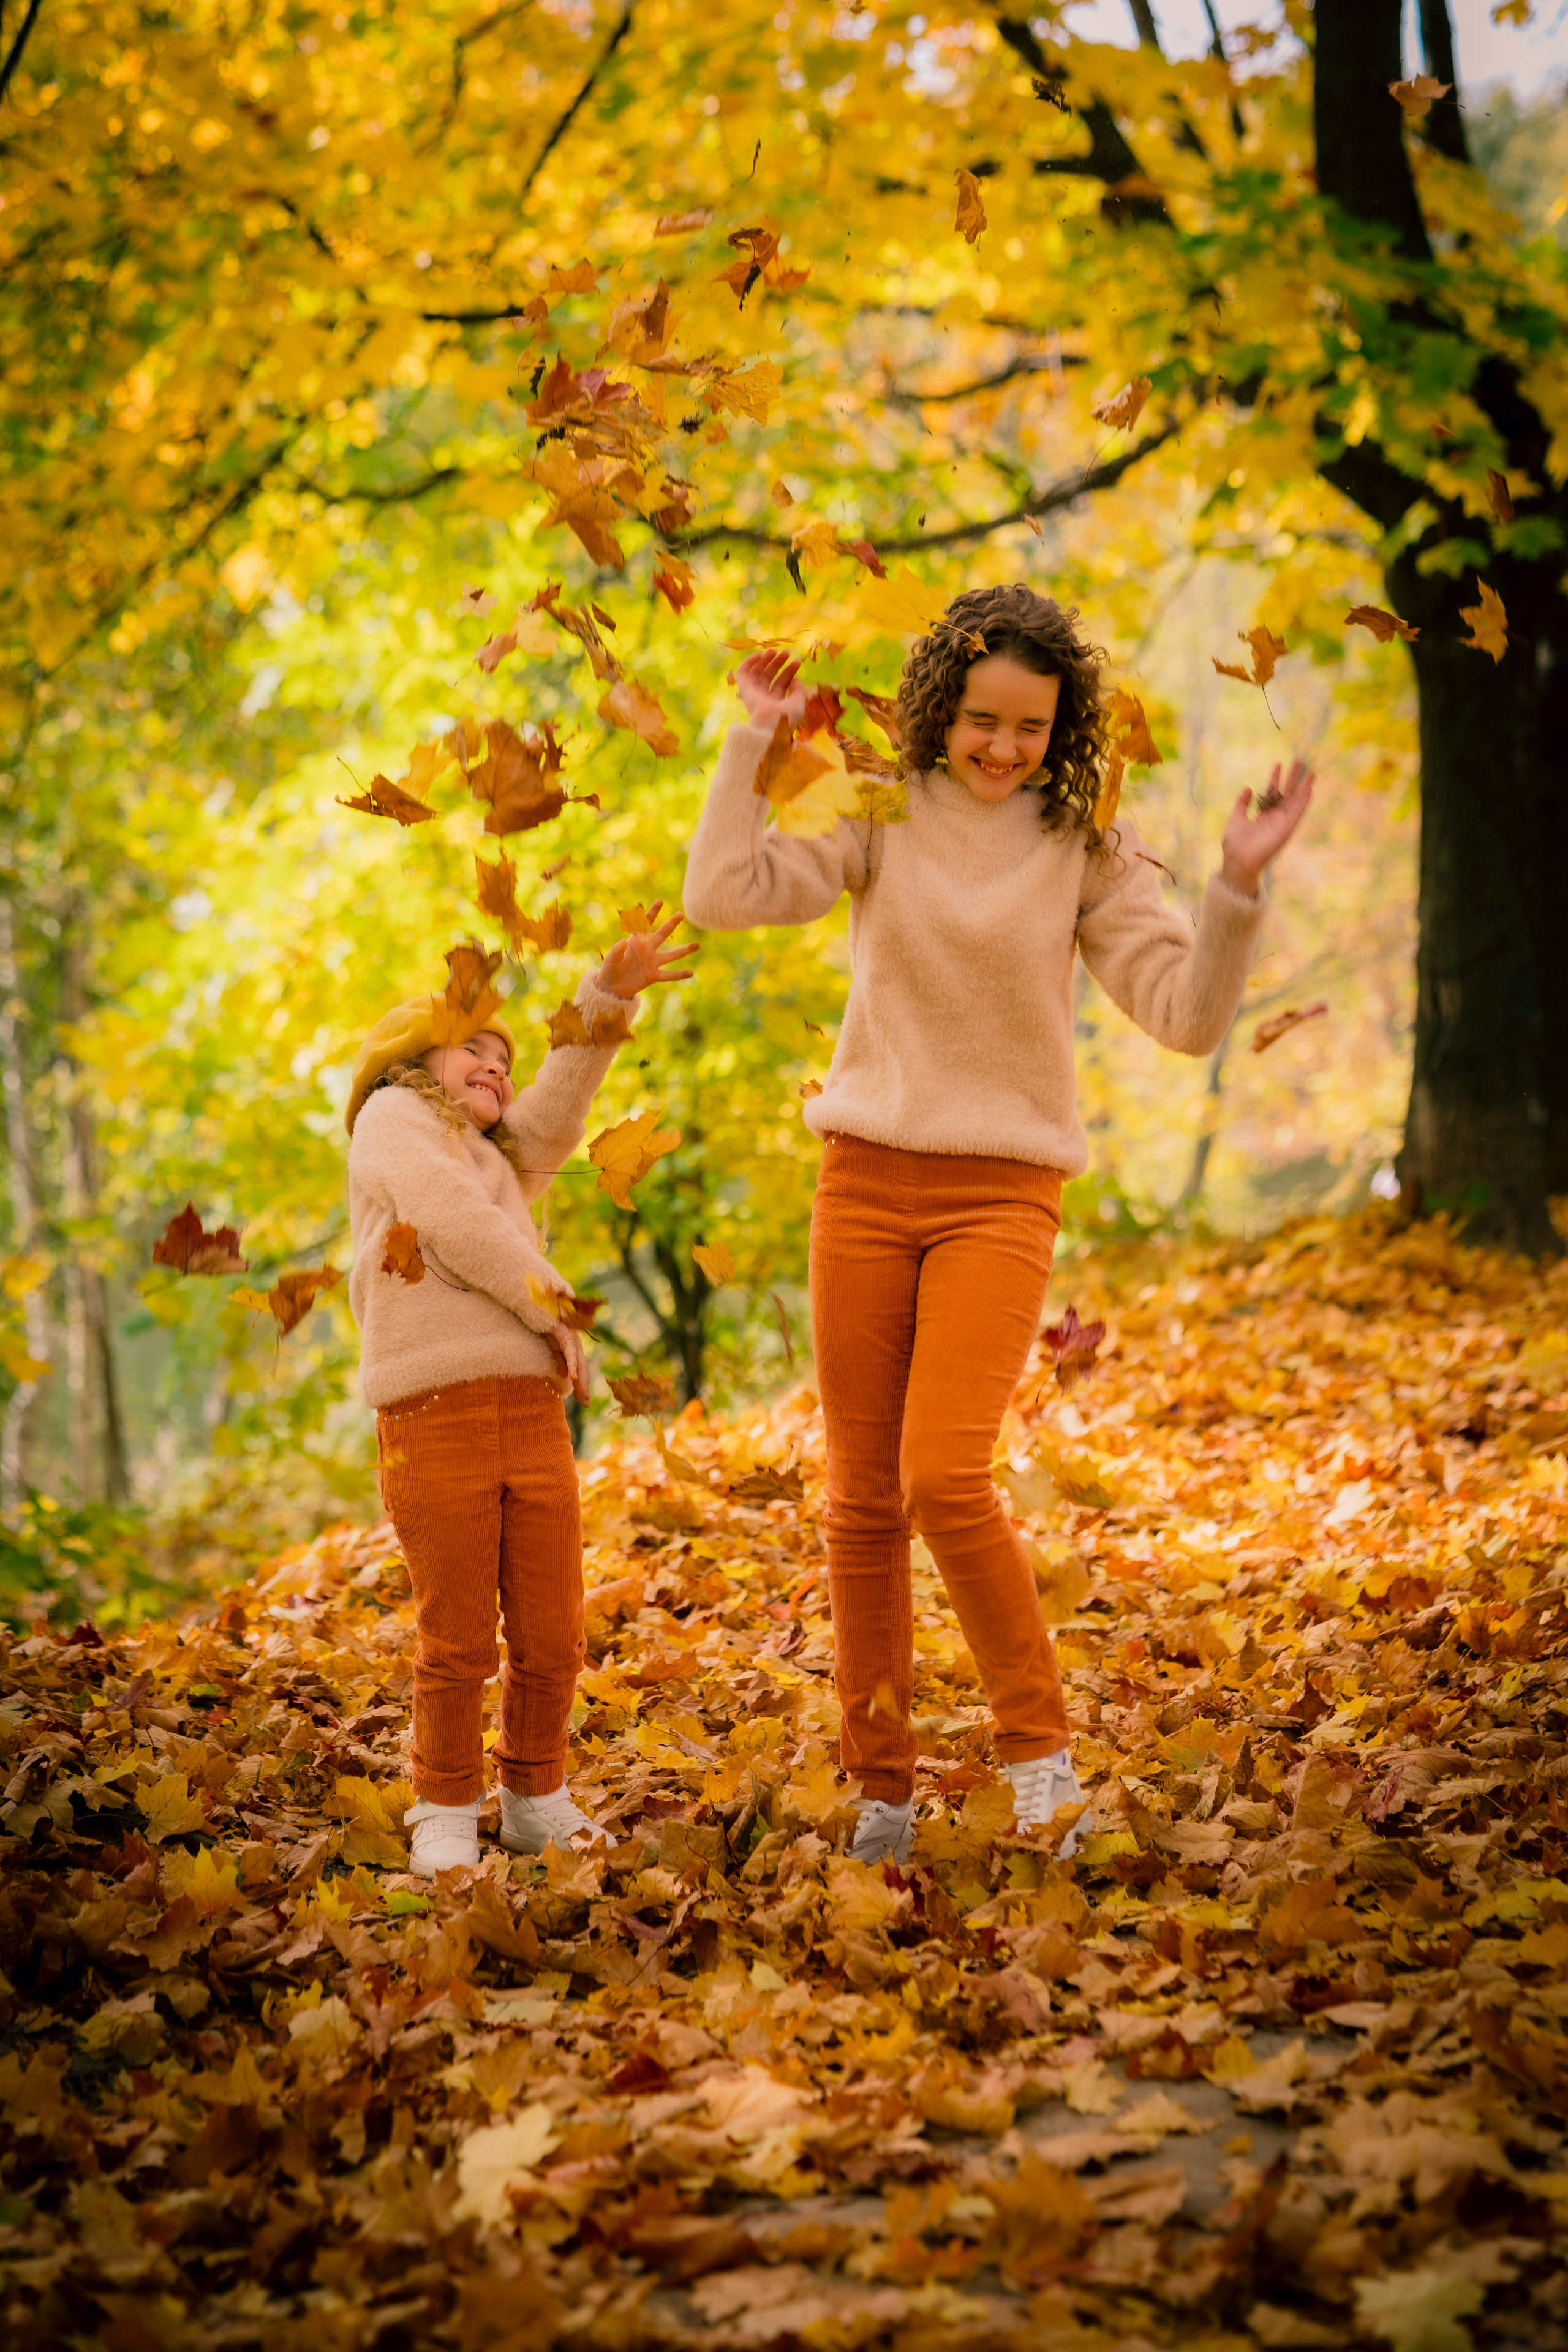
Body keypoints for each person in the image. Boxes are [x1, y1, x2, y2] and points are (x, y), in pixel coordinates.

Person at [682, 583, 1311, 1864]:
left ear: (1060, 727)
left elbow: (1183, 1017)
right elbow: (720, 895)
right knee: (859, 1502)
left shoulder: (1082, 844)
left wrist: (1237, 891)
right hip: (861, 1178)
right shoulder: (876, 811)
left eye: (1028, 727)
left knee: (940, 1478)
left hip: (999, 1195)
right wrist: (750, 740)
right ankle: (882, 1793)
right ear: (937, 708)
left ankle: (1039, 1765)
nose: (999, 749)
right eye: (978, 720)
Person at [344, 912, 694, 1877]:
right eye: (474, 1052)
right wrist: (551, 1304)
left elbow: (559, 1104)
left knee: (551, 1625)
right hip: (433, 1413)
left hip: (531, 1412)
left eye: (505, 1058)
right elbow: (448, 1216)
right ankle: (445, 1802)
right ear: (416, 1059)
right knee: (456, 1630)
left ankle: (536, 1792)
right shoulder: (393, 1123)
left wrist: (606, 996)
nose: (497, 1068)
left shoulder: (502, 1159)